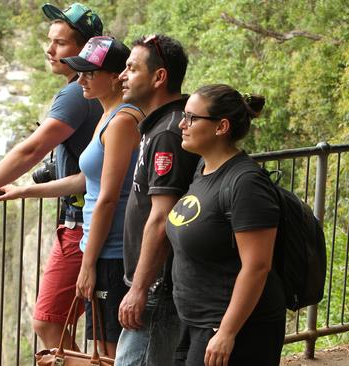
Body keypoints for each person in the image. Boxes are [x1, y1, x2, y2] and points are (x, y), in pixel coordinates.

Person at [0, 2, 104, 349]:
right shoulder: (95, 90)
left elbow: (31, 150)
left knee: (49, 324)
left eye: (60, 43)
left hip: (82, 226)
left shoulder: (76, 94)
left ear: (84, 49)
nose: (49, 49)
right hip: (91, 218)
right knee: (100, 337)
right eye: (49, 40)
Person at [0, 36, 143, 358]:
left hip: (113, 252)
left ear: (116, 76)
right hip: (102, 249)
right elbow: (87, 180)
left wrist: (87, 264)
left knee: (112, 351)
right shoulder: (107, 115)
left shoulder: (122, 120)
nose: (82, 79)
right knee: (103, 348)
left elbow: (106, 197)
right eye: (81, 72)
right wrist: (25, 190)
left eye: (90, 73)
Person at [166, 84, 286, 366]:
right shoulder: (204, 168)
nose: (182, 124)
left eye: (192, 118)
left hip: (235, 328)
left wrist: (227, 332)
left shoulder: (245, 183)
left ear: (221, 127)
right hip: (196, 322)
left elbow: (257, 266)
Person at [114, 34, 200, 365]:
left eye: (131, 69)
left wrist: (139, 288)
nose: (122, 76)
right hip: (153, 284)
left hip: (156, 288)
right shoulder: (160, 124)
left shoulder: (167, 133)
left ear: (159, 77)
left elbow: (163, 216)